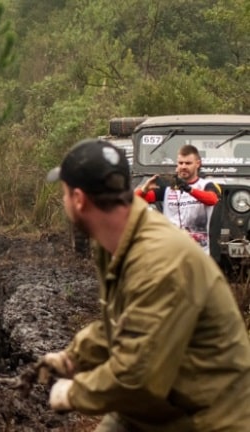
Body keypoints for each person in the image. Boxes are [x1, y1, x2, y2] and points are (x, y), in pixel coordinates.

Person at [40, 138, 250, 431]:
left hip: (203, 417)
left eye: (63, 194)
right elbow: (121, 320)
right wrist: (73, 357)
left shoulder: (161, 262)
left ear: (79, 199)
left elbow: (136, 378)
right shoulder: (113, 244)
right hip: (154, 406)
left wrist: (74, 393)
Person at [135, 145, 220, 255]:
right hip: (171, 252)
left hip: (198, 252)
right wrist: (144, 189)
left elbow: (212, 199)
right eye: (180, 163)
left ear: (197, 164)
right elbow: (133, 200)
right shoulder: (167, 187)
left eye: (188, 163)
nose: (183, 166)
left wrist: (188, 189)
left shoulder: (206, 185)